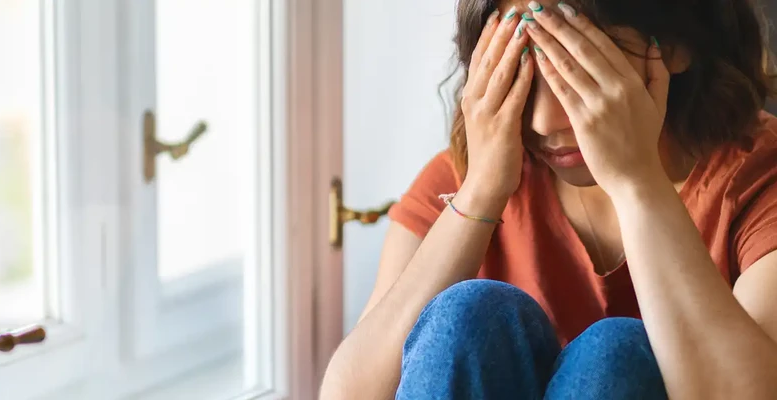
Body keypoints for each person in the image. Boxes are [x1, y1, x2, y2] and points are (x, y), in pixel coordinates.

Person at [321, 0, 777, 398]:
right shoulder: (469, 172)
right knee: (468, 314)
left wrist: (637, 182)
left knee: (616, 355)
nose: (542, 122)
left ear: (674, 45)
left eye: (577, 69)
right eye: (519, 67)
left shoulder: (756, 176)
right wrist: (481, 190)